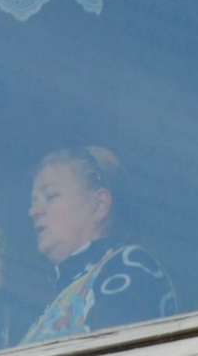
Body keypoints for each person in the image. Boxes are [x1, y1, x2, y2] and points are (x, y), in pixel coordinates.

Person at [21, 147, 178, 344]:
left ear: (99, 204)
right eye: (34, 201)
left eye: (51, 196)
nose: (33, 211)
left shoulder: (129, 266)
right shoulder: (62, 296)